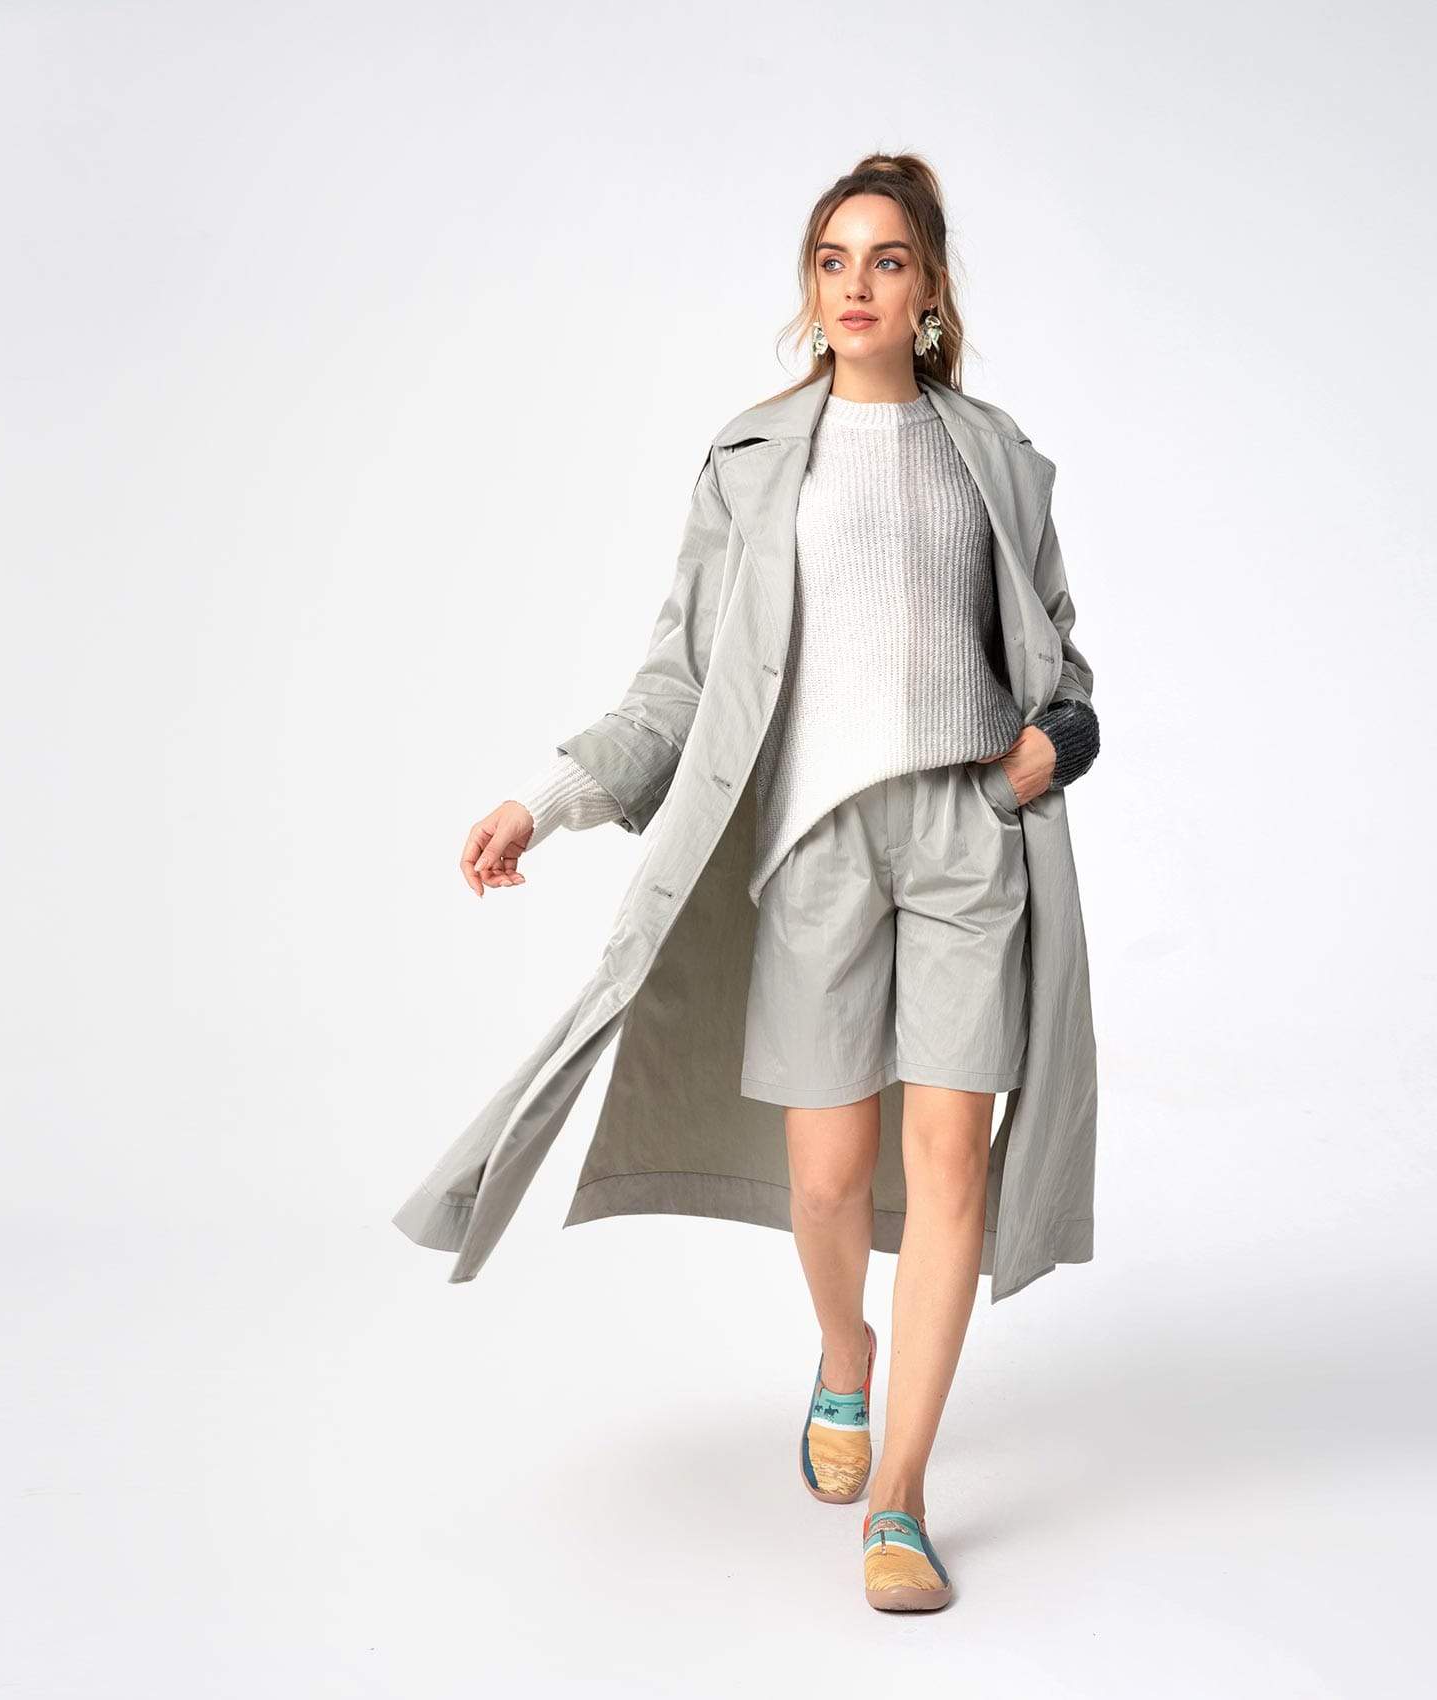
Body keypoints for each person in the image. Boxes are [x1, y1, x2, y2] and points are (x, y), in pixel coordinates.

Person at [454, 153, 1099, 1613]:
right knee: (826, 1178)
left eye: (886, 260)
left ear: (931, 289)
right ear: (812, 286)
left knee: (952, 1165)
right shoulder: (751, 460)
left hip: (964, 841)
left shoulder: (996, 459)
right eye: (832, 259)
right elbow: (679, 684)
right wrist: (546, 801)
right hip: (815, 850)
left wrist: (1032, 765)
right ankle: (846, 1353)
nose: (856, 285)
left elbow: (1065, 674)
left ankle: (902, 1498)